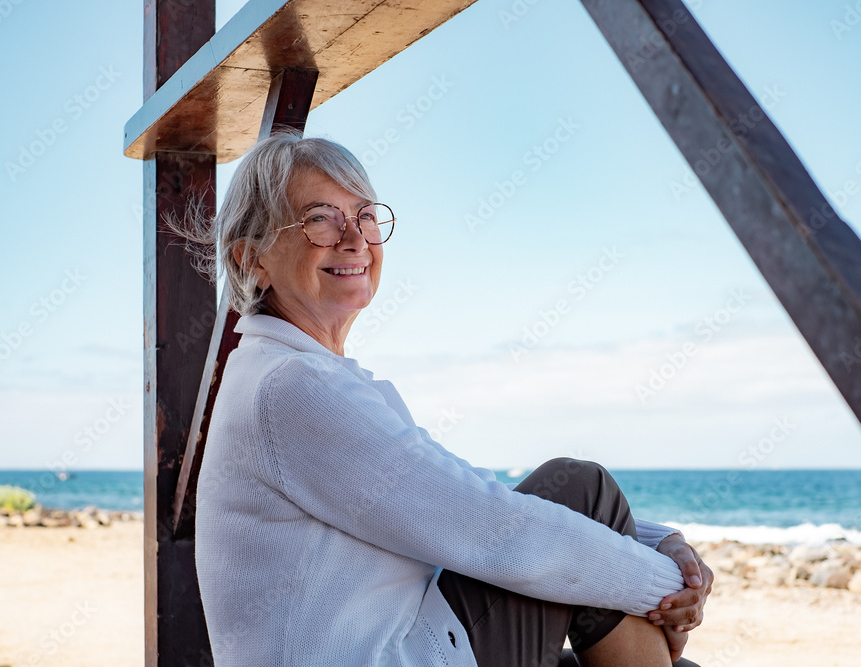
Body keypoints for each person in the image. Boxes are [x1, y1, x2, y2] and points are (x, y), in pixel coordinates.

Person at [191, 132, 713, 667]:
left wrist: (653, 544)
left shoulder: (288, 374)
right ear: (252, 259)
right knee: (583, 487)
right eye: (320, 218)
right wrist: (667, 586)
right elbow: (488, 525)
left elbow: (451, 502)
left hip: (392, 637)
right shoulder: (293, 387)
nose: (354, 239)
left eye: (365, 215)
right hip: (383, 652)